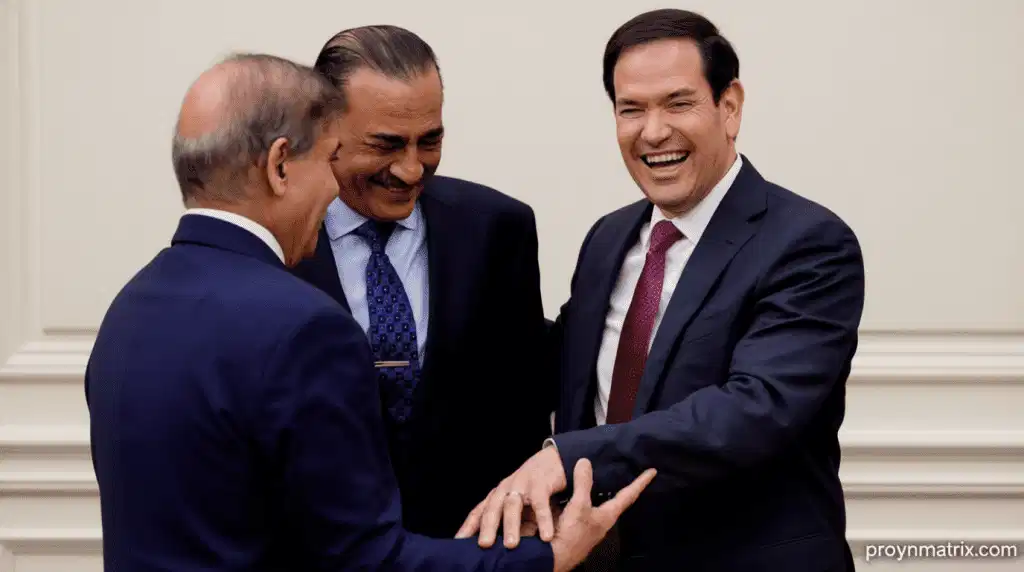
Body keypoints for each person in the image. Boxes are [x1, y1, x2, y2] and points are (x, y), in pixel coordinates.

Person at [84, 52, 655, 572]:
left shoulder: (130, 309)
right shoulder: (302, 323)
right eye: (328, 158)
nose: (332, 186)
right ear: (281, 165)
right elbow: (367, 560)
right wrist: (549, 556)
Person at [457, 9, 865, 572]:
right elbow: (564, 370)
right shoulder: (608, 238)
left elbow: (753, 412)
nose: (652, 132)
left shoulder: (808, 243)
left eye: (678, 103)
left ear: (729, 106)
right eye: (631, 109)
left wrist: (567, 459)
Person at [291, 24, 556, 538]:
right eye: (385, 145)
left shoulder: (497, 228)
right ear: (323, 130)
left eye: (429, 141)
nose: (412, 170)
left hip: (466, 546)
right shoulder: (275, 242)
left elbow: (520, 407)